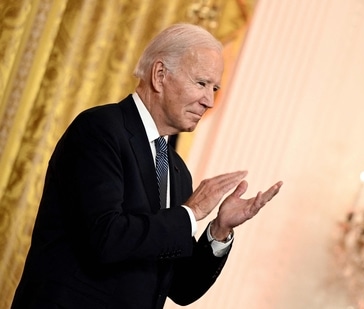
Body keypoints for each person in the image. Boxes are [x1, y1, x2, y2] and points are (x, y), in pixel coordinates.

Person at [11, 23, 283, 309]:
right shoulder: (100, 130)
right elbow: (106, 238)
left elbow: (179, 287)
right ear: (160, 75)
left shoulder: (177, 171)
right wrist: (190, 213)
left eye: (215, 88)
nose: (209, 101)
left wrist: (218, 230)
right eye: (201, 83)